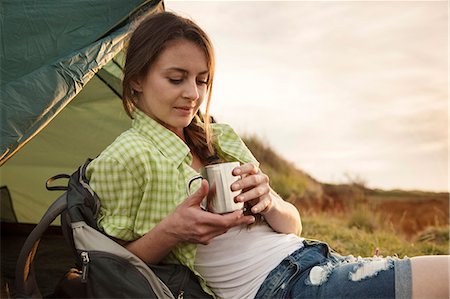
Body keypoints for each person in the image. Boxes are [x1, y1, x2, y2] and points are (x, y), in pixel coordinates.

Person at [86, 11, 449, 299]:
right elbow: (113, 267)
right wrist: (172, 231)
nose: (193, 94)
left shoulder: (217, 138)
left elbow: (293, 225)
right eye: (176, 78)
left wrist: (270, 202)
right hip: (279, 287)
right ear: (136, 79)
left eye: (202, 80)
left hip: (314, 259)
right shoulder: (126, 156)